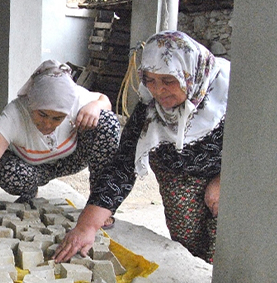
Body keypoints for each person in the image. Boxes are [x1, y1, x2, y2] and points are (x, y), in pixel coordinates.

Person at [54, 31, 228, 264]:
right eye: (150, 80)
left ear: (190, 74)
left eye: (168, 80)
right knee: (191, 248)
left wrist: (225, 179)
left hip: (234, 175)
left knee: (227, 242)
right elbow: (123, 166)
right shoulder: (149, 111)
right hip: (177, 178)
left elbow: (261, 153)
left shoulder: (230, 98)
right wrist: (87, 226)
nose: (158, 90)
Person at [0, 60, 120, 227]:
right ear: (32, 103)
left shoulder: (75, 98)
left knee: (107, 121)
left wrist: (96, 106)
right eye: (42, 114)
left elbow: (103, 100)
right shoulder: (14, 114)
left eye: (57, 118)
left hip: (70, 160)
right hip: (32, 168)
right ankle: (29, 192)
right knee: (8, 171)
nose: (48, 124)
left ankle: (99, 206)